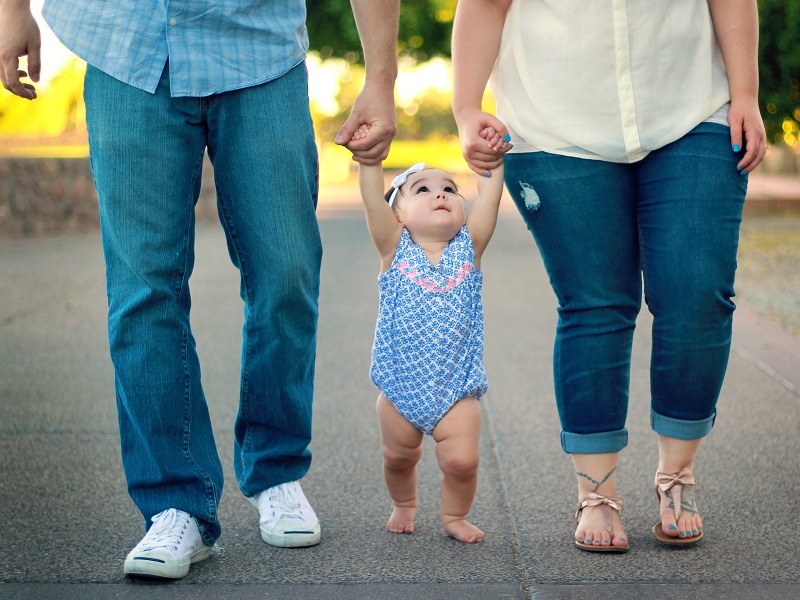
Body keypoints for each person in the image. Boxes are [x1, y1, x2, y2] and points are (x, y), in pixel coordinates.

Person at [0, 0, 399, 579]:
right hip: (127, 45)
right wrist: (14, 11)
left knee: (286, 269)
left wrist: (381, 78)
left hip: (258, 47)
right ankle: (173, 501)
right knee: (143, 289)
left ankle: (276, 468)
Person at [452, 0, 766, 552]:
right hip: (553, 124)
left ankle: (677, 477)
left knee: (697, 293)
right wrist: (464, 108)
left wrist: (745, 92)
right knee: (595, 305)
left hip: (693, 110)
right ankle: (596, 492)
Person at [350, 124, 509, 543]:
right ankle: (404, 503)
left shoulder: (469, 248)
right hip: (400, 389)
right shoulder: (394, 250)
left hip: (456, 390)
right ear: (398, 216)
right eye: (422, 189)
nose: (440, 193)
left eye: (450, 189)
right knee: (398, 457)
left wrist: (490, 164)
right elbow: (371, 202)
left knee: (462, 462)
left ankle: (455, 515)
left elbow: (489, 198)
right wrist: (370, 162)